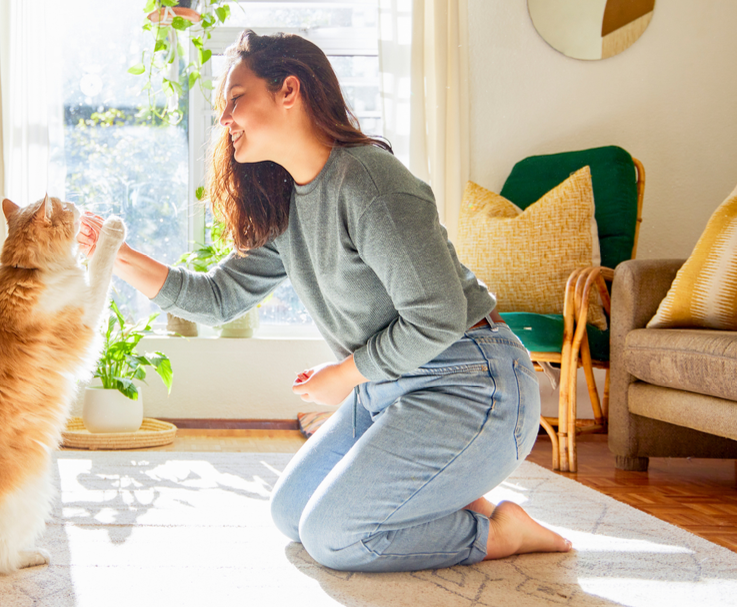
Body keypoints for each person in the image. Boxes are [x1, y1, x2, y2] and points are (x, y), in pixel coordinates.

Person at [78, 30, 571, 572]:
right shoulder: (287, 205)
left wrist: (346, 374)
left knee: (335, 537)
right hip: (391, 391)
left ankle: (503, 531)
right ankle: (450, 490)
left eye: (236, 99)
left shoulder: (370, 182)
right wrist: (115, 255)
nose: (225, 119)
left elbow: (439, 317)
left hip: (474, 384)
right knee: (290, 516)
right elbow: (217, 300)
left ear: (288, 90)